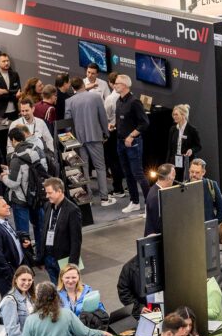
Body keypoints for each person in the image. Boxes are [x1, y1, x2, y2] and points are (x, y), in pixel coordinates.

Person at [65, 75, 115, 206]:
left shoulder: (69, 101)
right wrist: (106, 133)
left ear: (73, 88)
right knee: (100, 167)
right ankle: (104, 198)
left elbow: (67, 124)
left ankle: (88, 199)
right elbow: (103, 117)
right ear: (83, 84)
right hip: (95, 137)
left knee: (84, 169)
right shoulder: (95, 97)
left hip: (79, 140)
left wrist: (72, 141)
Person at [112, 75, 150, 214]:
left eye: (117, 83)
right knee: (127, 174)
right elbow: (122, 120)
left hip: (133, 144)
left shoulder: (135, 102)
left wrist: (131, 136)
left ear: (125, 85)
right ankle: (134, 202)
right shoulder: (118, 101)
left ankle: (149, 205)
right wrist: (114, 125)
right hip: (120, 142)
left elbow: (144, 123)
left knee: (138, 174)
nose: (114, 85)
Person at [0, 126, 46, 235]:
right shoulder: (38, 150)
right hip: (38, 196)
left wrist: (3, 177)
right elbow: (44, 171)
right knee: (40, 228)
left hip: (21, 199)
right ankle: (41, 247)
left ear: (13, 140)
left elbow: (13, 183)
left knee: (23, 233)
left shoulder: (15, 158)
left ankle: (26, 247)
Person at [38, 178, 82, 282]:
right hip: (49, 258)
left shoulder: (73, 210)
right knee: (56, 289)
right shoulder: (47, 206)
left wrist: (72, 265)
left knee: (68, 289)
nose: (47, 196)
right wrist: (41, 258)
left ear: (59, 191)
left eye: (49, 193)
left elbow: (76, 240)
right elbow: (44, 231)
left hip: (64, 260)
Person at [166, 104, 202, 182]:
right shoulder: (173, 129)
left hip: (187, 162)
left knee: (187, 182)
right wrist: (168, 164)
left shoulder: (192, 130)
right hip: (175, 161)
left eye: (176, 114)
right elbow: (170, 148)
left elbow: (198, 146)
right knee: (175, 182)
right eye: (173, 114)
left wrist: (191, 150)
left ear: (183, 115)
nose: (174, 116)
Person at [146, 164, 176, 236]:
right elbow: (157, 224)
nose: (175, 178)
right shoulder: (156, 197)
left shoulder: (157, 190)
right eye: (174, 175)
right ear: (169, 178)